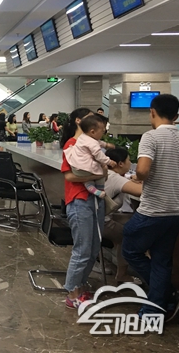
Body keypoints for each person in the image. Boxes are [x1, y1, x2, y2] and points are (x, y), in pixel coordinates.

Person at [122, 93, 179, 321]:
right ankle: (155, 307)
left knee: (130, 249)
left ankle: (164, 292)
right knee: (162, 260)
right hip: (178, 211)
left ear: (152, 112)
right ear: (176, 117)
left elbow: (142, 170)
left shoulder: (150, 137)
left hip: (153, 210)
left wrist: (139, 176)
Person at [60, 107, 106, 309]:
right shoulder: (73, 144)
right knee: (83, 249)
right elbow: (70, 176)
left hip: (95, 200)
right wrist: (98, 174)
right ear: (79, 121)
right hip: (79, 200)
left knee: (94, 247)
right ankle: (72, 292)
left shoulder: (93, 143)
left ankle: (80, 284)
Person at [102, 148, 143, 284]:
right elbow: (141, 191)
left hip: (95, 218)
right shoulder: (116, 179)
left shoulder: (107, 173)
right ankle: (122, 274)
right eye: (128, 160)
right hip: (102, 223)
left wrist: (131, 179)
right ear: (120, 164)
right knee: (129, 235)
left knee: (131, 220)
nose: (130, 163)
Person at [64, 115, 117, 198]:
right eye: (102, 131)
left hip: (77, 168)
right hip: (85, 169)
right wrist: (109, 162)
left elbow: (97, 142)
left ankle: (93, 189)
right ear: (92, 132)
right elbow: (99, 155)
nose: (103, 133)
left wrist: (106, 145)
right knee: (101, 169)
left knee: (87, 179)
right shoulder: (92, 143)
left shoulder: (83, 137)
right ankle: (100, 189)